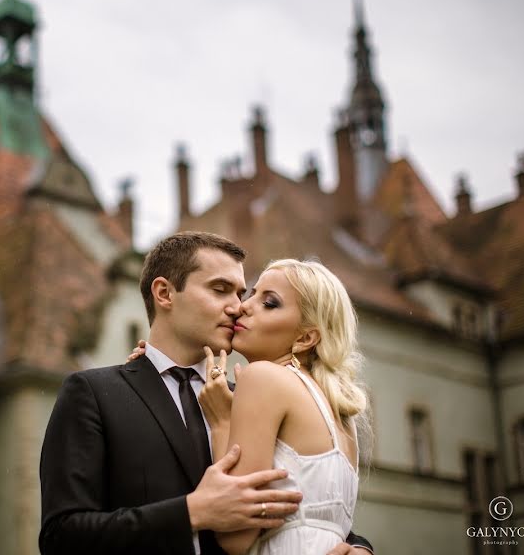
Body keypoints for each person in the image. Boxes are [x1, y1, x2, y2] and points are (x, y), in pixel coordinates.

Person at [39, 232, 372, 555]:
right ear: (165, 293)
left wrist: (359, 547)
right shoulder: (94, 394)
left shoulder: (249, 400)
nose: (238, 307)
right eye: (220, 290)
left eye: (242, 293)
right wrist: (189, 513)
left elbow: (306, 501)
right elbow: (62, 537)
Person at [134, 258, 370, 554]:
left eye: (269, 303)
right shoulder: (339, 413)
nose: (243, 306)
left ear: (306, 337)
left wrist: (222, 422)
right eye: (252, 295)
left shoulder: (262, 378)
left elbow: (236, 539)